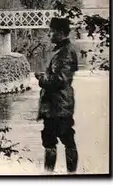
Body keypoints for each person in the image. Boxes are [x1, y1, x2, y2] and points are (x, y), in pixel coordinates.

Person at [35, 17, 79, 173]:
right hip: (60, 105)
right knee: (63, 140)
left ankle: (51, 176)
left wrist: (41, 78)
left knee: (53, 141)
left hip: (57, 106)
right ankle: (68, 175)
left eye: (52, 31)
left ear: (61, 33)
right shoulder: (64, 50)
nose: (49, 34)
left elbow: (59, 80)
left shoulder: (64, 52)